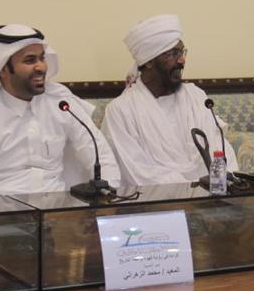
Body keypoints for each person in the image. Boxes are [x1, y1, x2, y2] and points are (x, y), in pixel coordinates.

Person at [0, 24, 120, 206]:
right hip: (5, 215)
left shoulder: (62, 104)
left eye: (42, 58)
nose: (41, 67)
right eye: (30, 60)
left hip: (59, 213)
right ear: (3, 69)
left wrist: (107, 199)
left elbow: (101, 156)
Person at [102, 14, 239, 185]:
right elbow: (137, 172)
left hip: (213, 193)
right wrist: (191, 191)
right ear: (149, 61)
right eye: (172, 54)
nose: (182, 60)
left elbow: (220, 149)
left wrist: (229, 185)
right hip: (158, 198)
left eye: (182, 52)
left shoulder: (196, 97)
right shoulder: (121, 111)